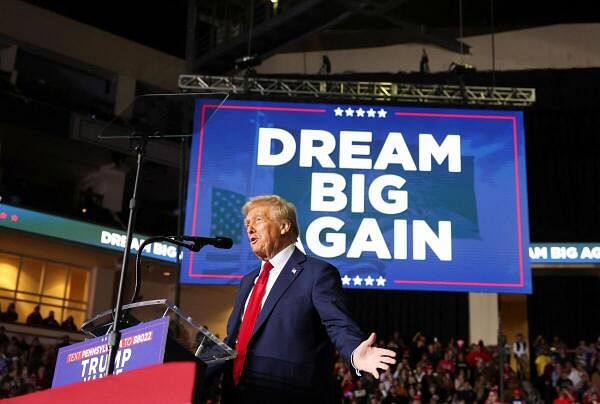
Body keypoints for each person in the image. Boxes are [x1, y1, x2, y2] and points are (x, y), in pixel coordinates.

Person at [218, 195, 396, 403]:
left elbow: (337, 324)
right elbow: (234, 339)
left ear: (284, 226)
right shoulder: (248, 281)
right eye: (247, 223)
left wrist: (355, 353)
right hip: (235, 395)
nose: (249, 229)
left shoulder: (316, 273)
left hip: (288, 395)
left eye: (258, 220)